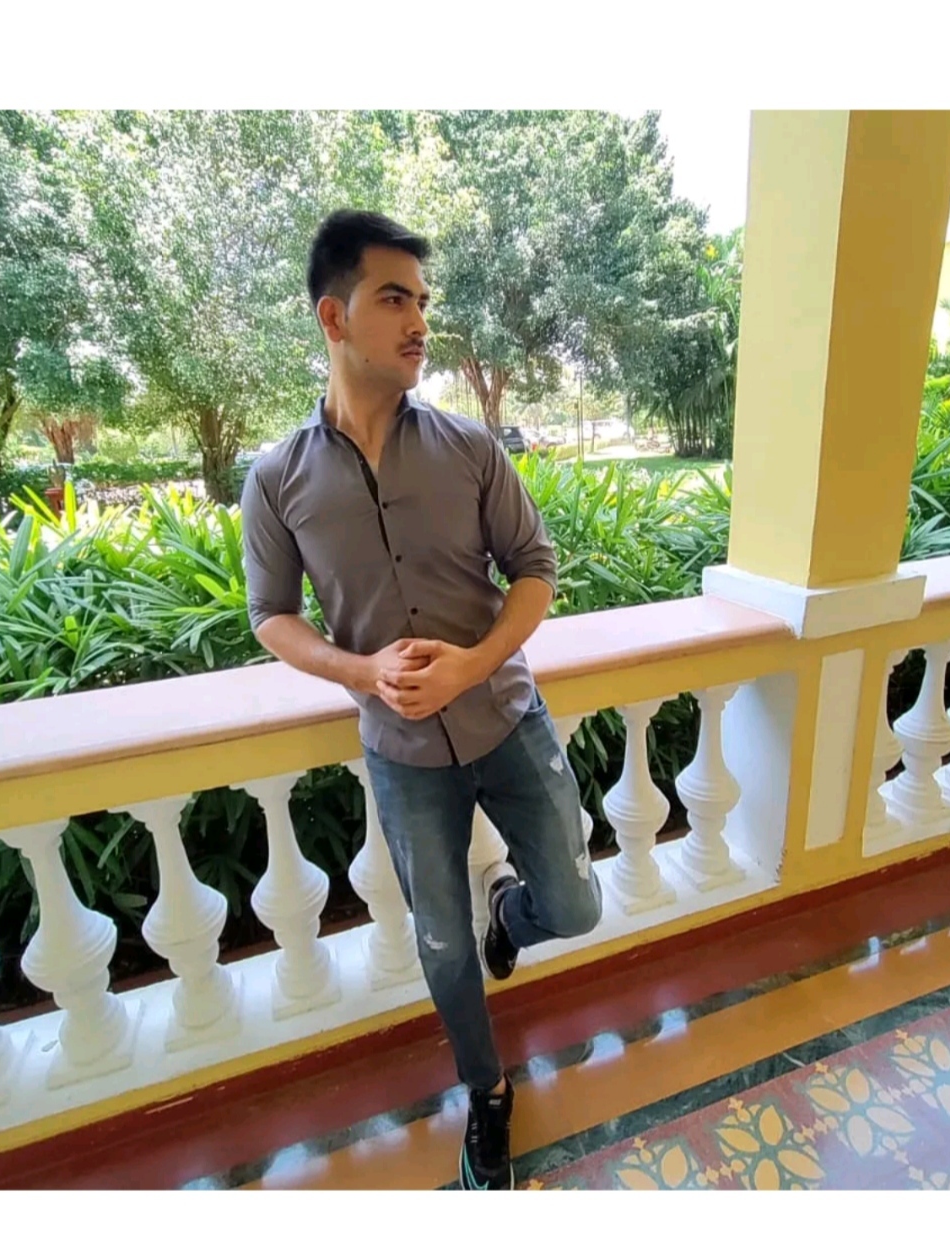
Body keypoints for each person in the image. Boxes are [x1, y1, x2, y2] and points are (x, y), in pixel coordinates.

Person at [240, 209, 603, 1191]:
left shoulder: (470, 448)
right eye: (394, 298)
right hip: (401, 757)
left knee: (576, 904)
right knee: (441, 946)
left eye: (422, 301)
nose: (419, 322)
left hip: (508, 720)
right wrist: (362, 673)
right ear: (334, 317)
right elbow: (271, 615)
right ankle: (487, 1092)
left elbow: (535, 570)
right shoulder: (276, 479)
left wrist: (472, 663)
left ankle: (511, 914)